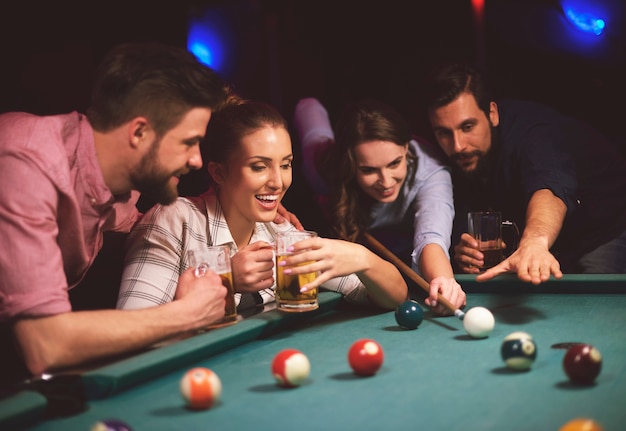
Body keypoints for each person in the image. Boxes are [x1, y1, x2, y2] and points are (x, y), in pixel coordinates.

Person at [0, 42, 234, 388]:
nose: (197, 159)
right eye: (189, 142)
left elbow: (147, 225)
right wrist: (186, 314)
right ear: (139, 132)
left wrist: (240, 205)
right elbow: (45, 344)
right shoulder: (27, 164)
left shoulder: (121, 181)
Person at [117, 100, 408, 313]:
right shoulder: (173, 220)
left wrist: (361, 257)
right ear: (219, 173)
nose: (278, 182)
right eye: (259, 167)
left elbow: (394, 297)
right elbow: (132, 328)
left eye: (286, 165)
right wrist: (226, 280)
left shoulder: (280, 233)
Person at [423, 62, 626, 283]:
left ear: (492, 113)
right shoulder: (452, 158)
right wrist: (465, 251)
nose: (458, 145)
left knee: (592, 305)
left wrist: (535, 241)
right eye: (443, 132)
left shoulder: (534, 134)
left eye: (467, 127)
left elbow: (549, 187)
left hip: (605, 231)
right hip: (553, 245)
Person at [293, 98, 466, 316]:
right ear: (350, 164)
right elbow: (306, 107)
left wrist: (444, 280)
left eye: (395, 163)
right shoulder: (322, 166)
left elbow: (431, 237)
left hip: (397, 267)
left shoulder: (431, 174)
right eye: (368, 170)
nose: (385, 182)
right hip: (356, 264)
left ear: (406, 147)